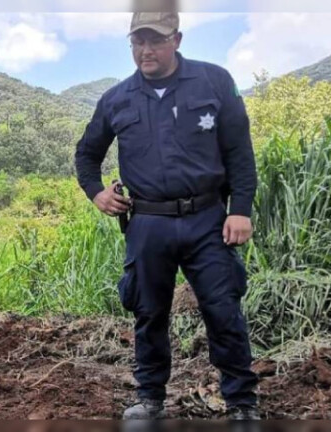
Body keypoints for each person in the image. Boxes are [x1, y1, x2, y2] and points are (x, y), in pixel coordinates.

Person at [75, 12, 260, 420]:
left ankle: (242, 402)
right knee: (148, 311)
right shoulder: (116, 99)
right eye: (137, 42)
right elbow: (86, 155)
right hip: (148, 223)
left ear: (176, 39)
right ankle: (150, 398)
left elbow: (240, 155)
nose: (145, 50)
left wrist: (241, 209)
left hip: (208, 218)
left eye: (154, 41)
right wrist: (96, 193)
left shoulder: (214, 82)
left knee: (223, 308)